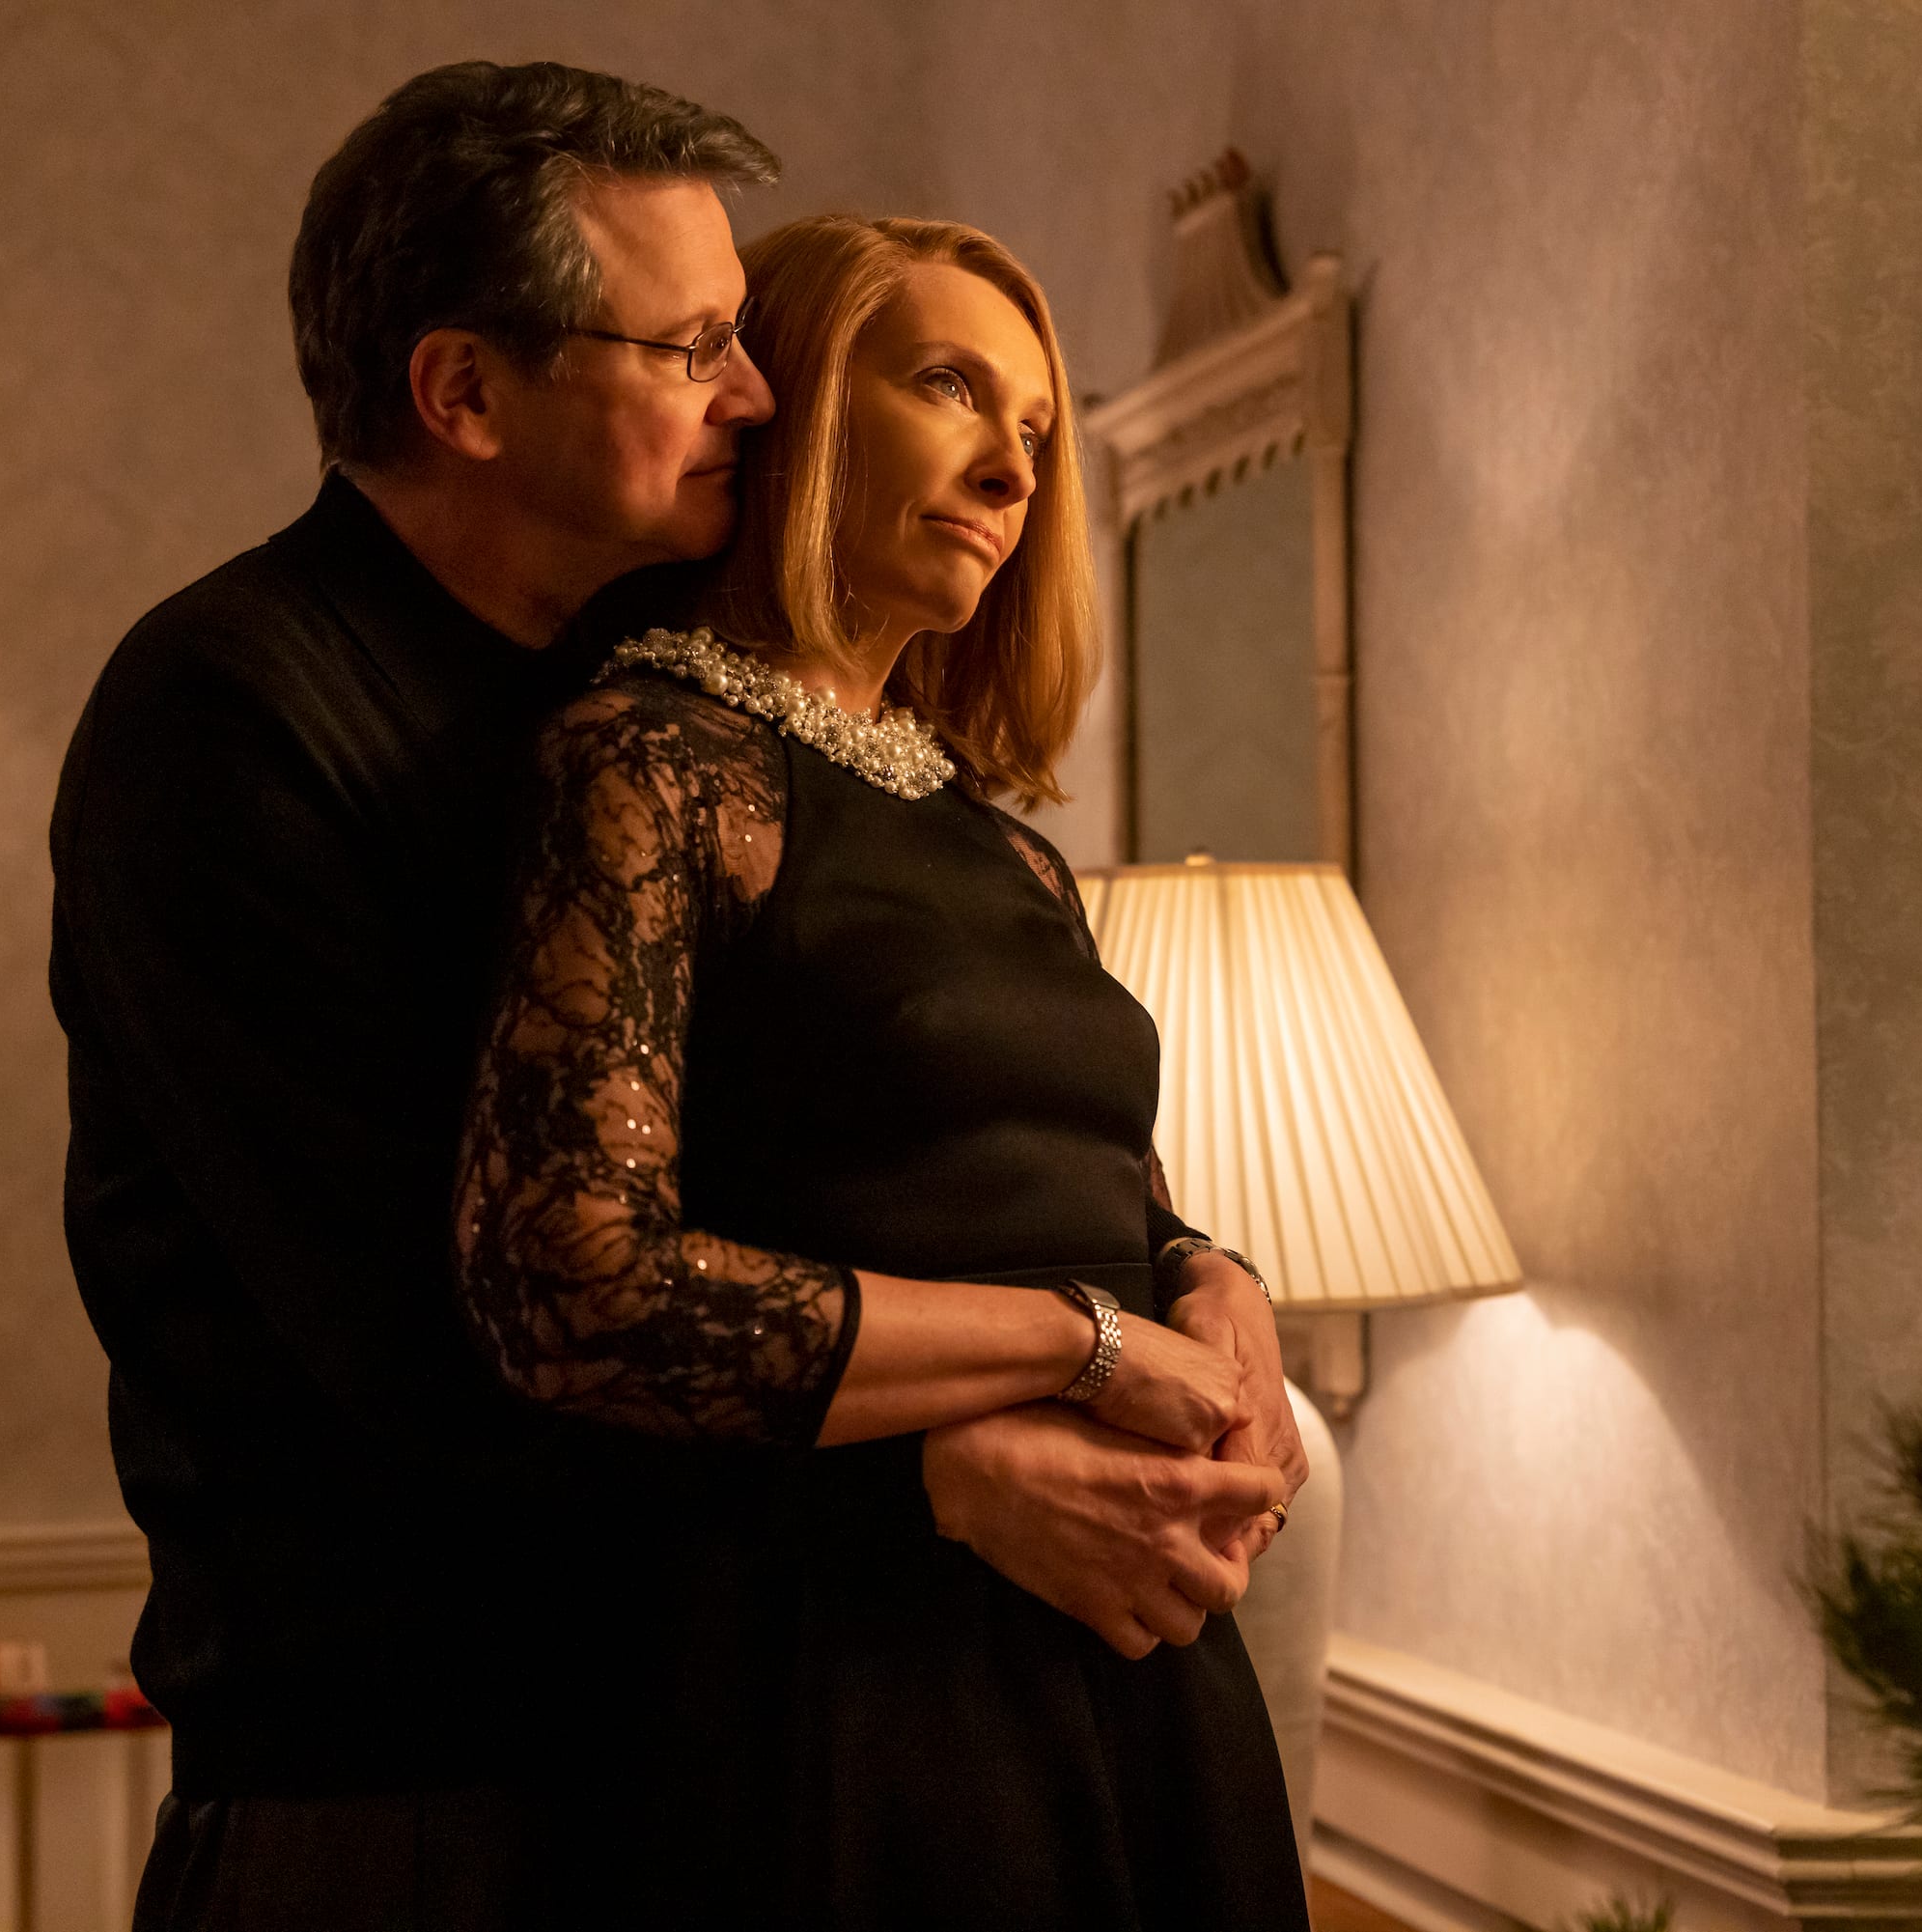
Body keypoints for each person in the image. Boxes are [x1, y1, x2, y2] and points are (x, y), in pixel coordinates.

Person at [47, 60, 1298, 1929]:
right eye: (694, 344)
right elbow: (446, 1334)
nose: (757, 390)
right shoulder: (232, 713)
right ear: (466, 394)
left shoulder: (668, 696)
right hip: (398, 1780)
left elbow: (855, 1137)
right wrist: (965, 1460)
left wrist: (1190, 1262)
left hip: (712, 1710)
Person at [452, 209, 1312, 1928]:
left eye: (1040, 430)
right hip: (851, 1687)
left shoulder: (1012, 849)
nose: (1013, 467)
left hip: (1141, 1668)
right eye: (950, 387)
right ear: (790, 400)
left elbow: (1084, 1182)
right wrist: (1079, 1347)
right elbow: (569, 1279)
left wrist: (1216, 1275)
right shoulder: (650, 762)